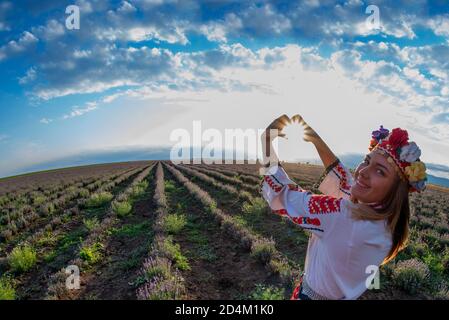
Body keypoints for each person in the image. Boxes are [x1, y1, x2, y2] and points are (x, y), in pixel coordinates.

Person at [259, 114, 427, 300]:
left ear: (396, 190)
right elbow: (345, 181)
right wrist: (314, 139)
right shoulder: (383, 222)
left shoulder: (344, 216)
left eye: (380, 171)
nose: (363, 172)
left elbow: (284, 195)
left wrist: (266, 141)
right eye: (366, 161)